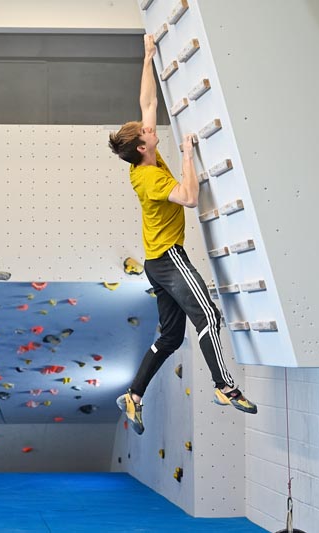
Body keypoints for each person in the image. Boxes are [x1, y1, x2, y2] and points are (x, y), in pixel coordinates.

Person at [108, 34, 257, 435]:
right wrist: (189, 155)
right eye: (146, 132)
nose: (150, 128)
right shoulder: (151, 177)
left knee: (171, 337)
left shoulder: (144, 155)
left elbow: (148, 102)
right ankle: (225, 386)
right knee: (207, 314)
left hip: (155, 266)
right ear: (142, 148)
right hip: (169, 259)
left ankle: (133, 396)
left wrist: (147, 58)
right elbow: (190, 197)